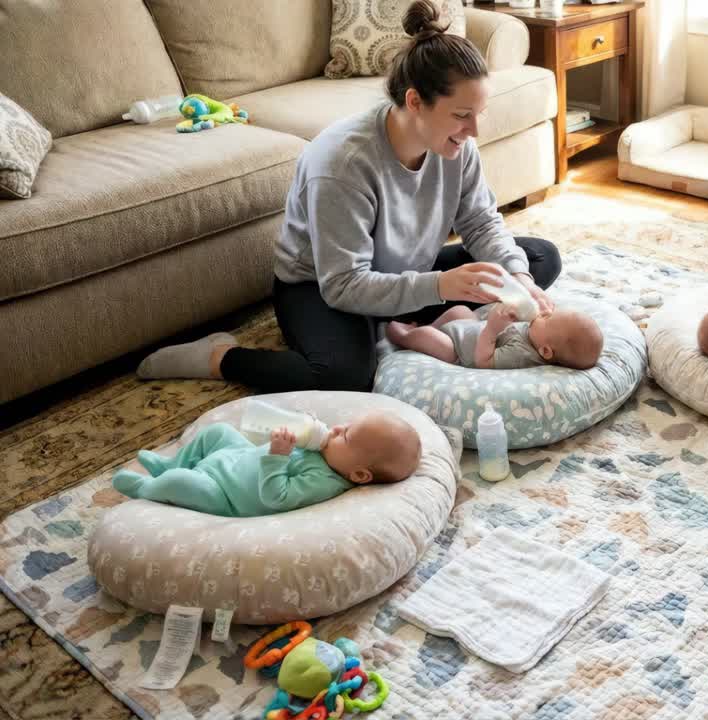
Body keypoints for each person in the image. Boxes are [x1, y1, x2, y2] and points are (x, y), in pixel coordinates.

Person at [135, 0, 559, 391]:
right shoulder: (343, 163)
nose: (474, 131)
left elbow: (480, 222)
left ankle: (392, 324)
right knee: (345, 375)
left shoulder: (456, 145)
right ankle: (221, 356)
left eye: (478, 114)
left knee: (538, 259)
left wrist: (517, 279)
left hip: (403, 270)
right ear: (415, 101)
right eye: (462, 116)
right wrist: (439, 286)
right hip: (322, 286)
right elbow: (343, 284)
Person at [111, 413, 421, 517]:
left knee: (180, 482)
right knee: (218, 431)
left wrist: (278, 456)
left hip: (224, 494)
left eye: (346, 436)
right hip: (239, 457)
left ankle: (148, 487)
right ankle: (169, 465)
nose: (337, 429)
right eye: (345, 425)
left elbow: (276, 496)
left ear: (359, 474)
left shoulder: (325, 481)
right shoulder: (328, 452)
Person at [385, 304, 604, 370]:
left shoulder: (521, 355)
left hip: (458, 350)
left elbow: (484, 361)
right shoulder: (536, 335)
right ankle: (429, 327)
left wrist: (491, 329)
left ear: (545, 351)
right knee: (461, 311)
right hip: (470, 328)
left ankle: (402, 336)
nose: (543, 313)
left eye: (547, 319)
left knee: (429, 337)